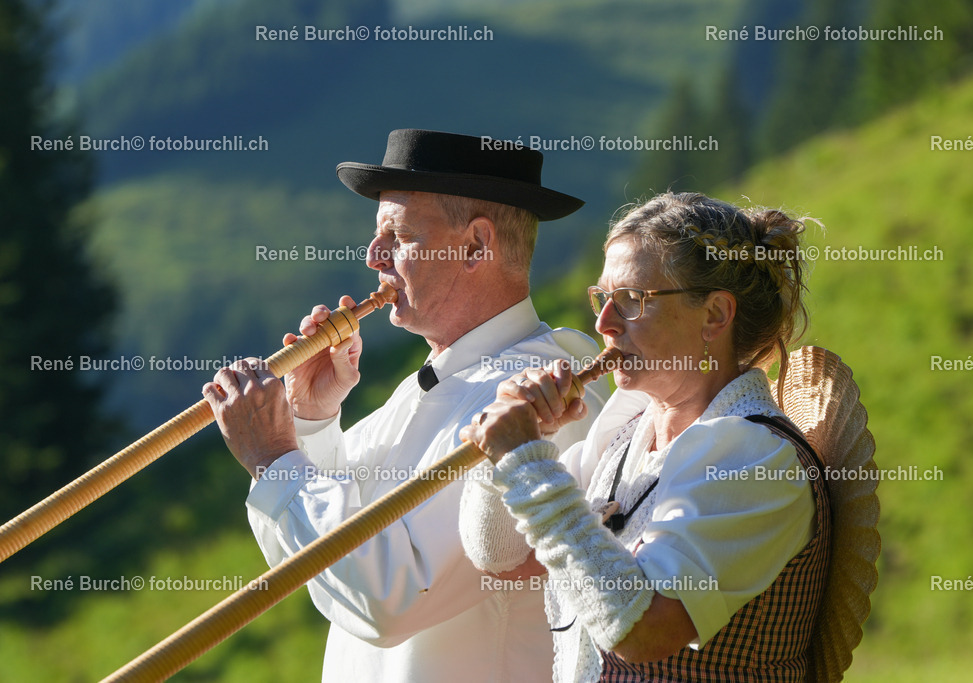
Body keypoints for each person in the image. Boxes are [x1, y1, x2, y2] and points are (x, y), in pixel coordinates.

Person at [202, 129, 609, 682]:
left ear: (475, 246)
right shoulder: (438, 379)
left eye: (398, 236)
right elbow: (316, 567)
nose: (374, 257)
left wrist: (275, 457)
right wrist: (311, 421)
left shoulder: (532, 393)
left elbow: (391, 596)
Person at [459, 191, 828, 682]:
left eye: (632, 301)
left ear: (715, 315)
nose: (603, 324)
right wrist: (506, 460)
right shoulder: (626, 432)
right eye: (602, 298)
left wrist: (528, 464)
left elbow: (641, 631)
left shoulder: (754, 457)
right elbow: (496, 553)